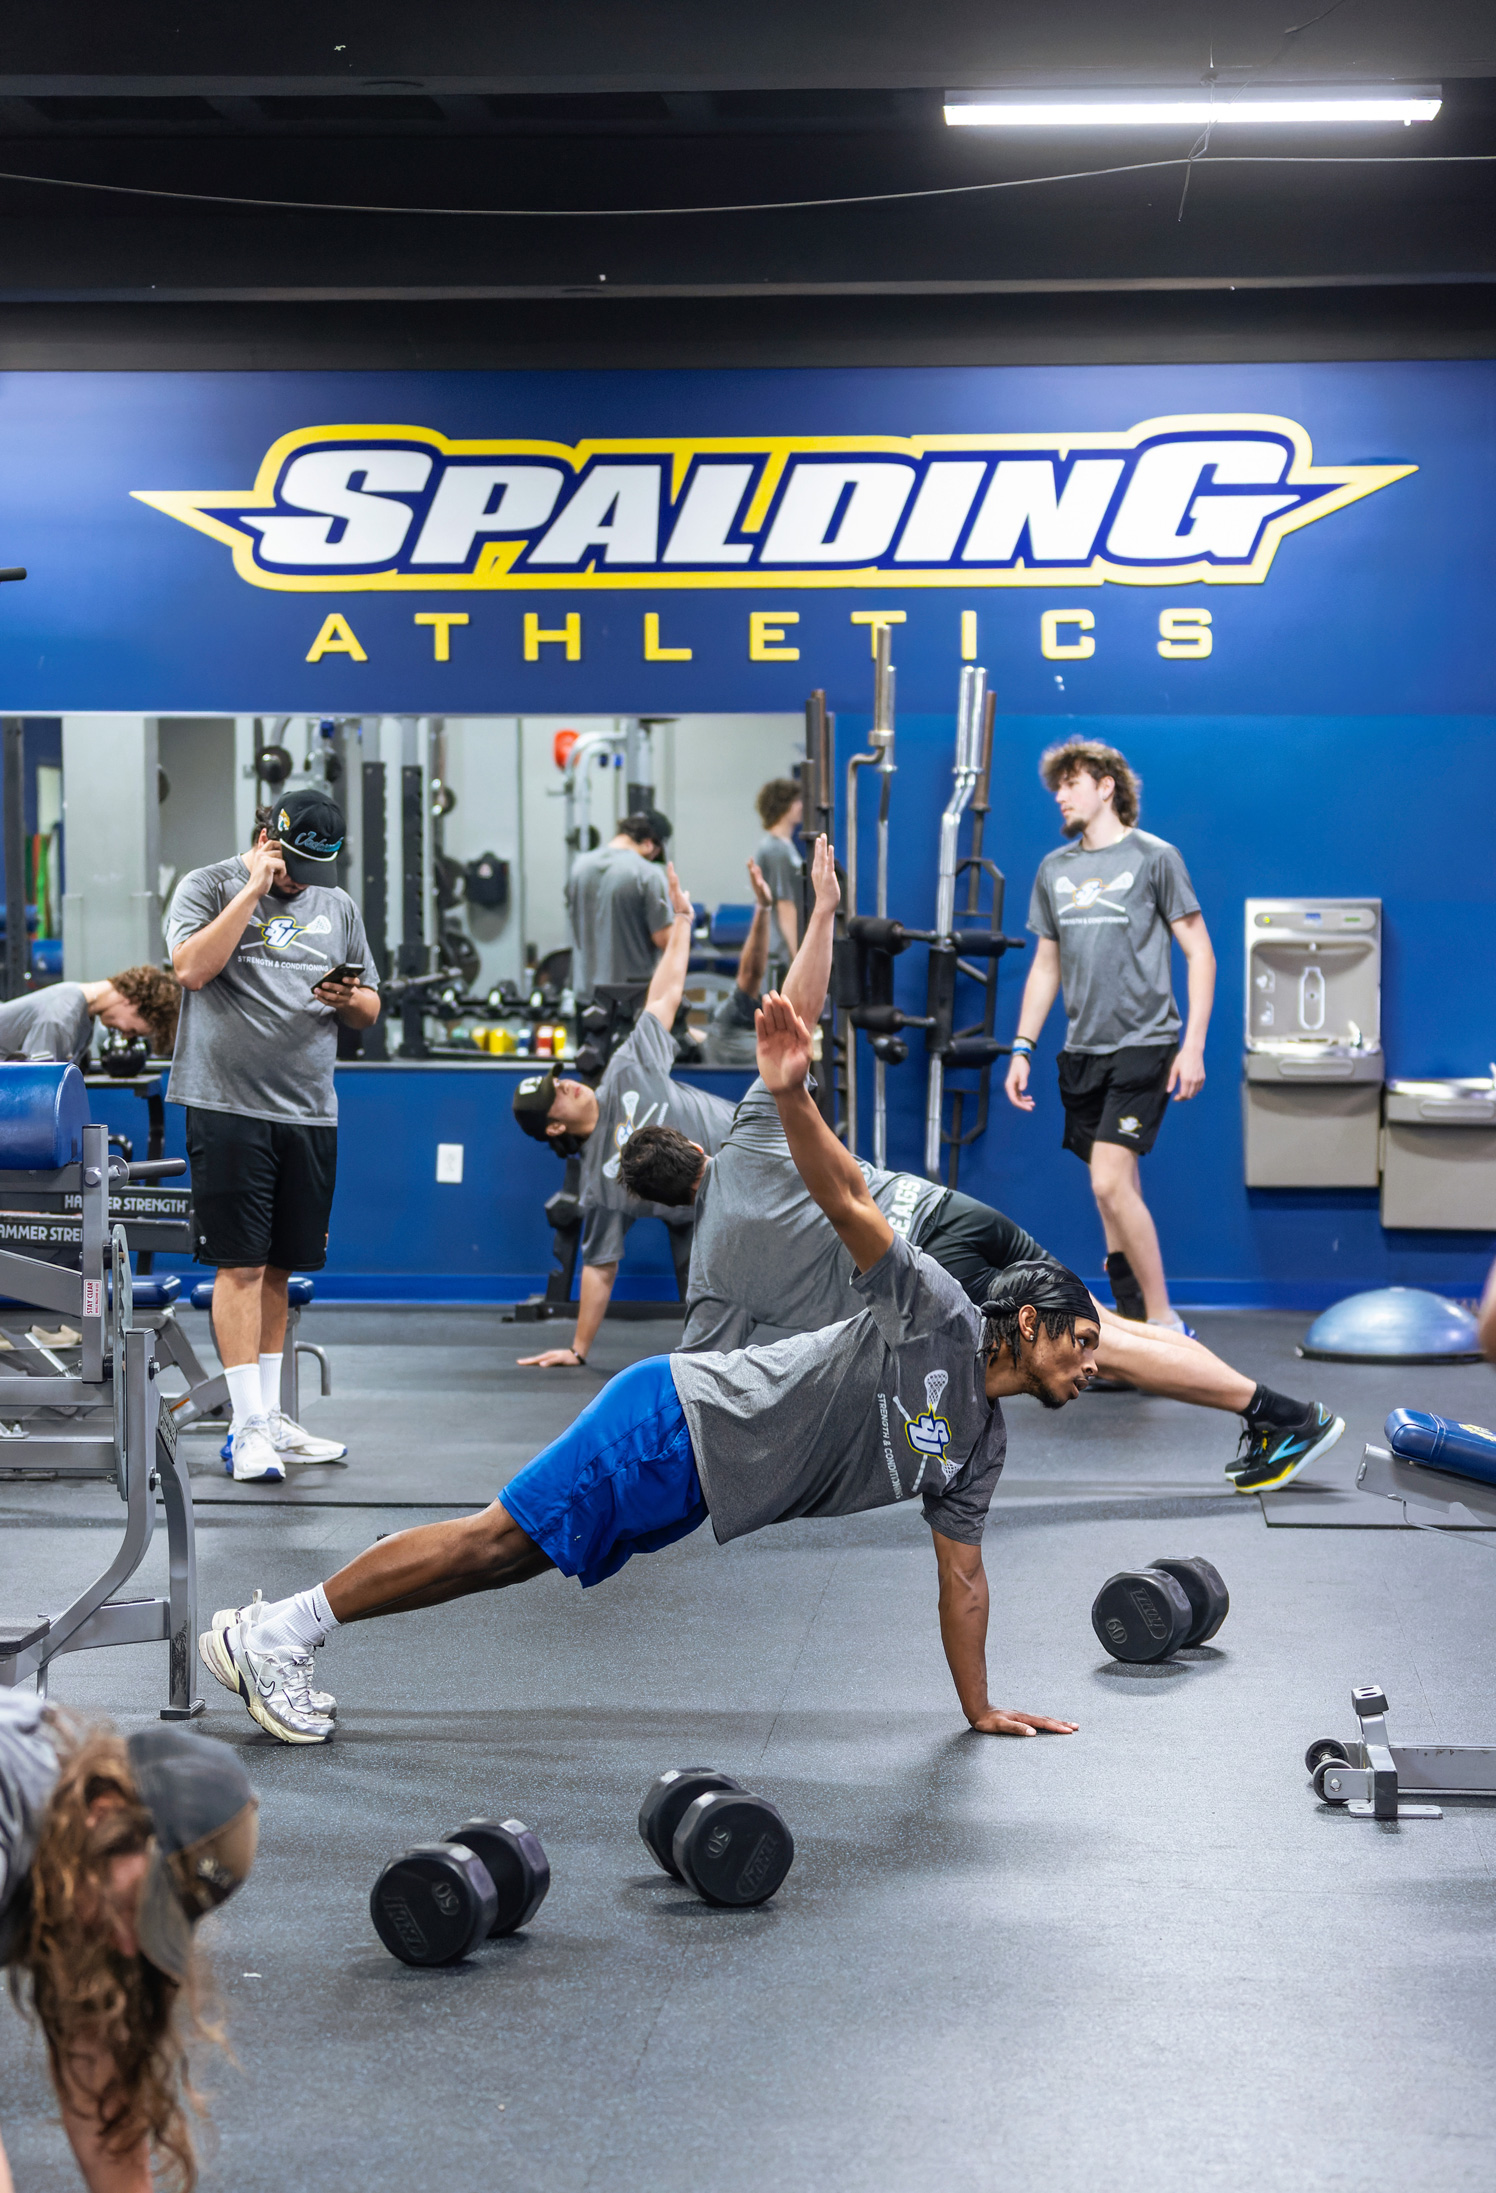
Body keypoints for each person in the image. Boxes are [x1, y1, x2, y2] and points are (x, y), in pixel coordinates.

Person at [201, 990, 1094, 1748]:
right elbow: (851, 1201)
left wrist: (979, 1709)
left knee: (505, 1561)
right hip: (674, 1425)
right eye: (1081, 1341)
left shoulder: (978, 1444)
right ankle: (275, 1630)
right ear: (1026, 1321)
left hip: (696, 1478)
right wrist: (791, 1094)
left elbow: (963, 1576)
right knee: (489, 1541)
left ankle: (286, 1630)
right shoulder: (936, 1309)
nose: (1094, 1364)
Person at [620, 837, 1343, 1496]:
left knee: (1108, 1347)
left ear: (668, 1206)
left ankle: (1282, 1414)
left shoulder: (709, 1274)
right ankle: (1269, 1410)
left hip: (928, 1268)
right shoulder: (750, 1123)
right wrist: (822, 913)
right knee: (1100, 1324)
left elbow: (700, 1383)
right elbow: (796, 1015)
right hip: (950, 1213)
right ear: (694, 1147)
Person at [165, 789, 381, 1483]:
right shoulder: (208, 885)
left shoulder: (337, 906)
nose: (298, 881)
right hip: (226, 1104)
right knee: (241, 1265)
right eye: (288, 864)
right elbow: (192, 969)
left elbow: (371, 1006)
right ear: (265, 837)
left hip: (310, 1110)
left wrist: (350, 998)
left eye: (309, 870)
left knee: (282, 1268)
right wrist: (252, 889)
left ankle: (270, 1419)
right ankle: (245, 1423)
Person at [0, 1693, 257, 2193]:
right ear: (106, 1811)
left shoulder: (78, 1861)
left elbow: (100, 2072)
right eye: (136, 1905)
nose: (124, 1941)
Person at [1004, 737, 1215, 1336]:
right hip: (1083, 1052)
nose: (1060, 796)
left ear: (1107, 787)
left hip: (1145, 1044)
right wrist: (1022, 1046)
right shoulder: (1055, 869)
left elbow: (1200, 953)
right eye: (1057, 787)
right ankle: (1132, 1318)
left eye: (1071, 783)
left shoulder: (1155, 858)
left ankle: (1166, 1324)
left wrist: (1193, 1044)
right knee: (1111, 1194)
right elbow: (1047, 965)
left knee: (1107, 1179)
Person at [512, 863, 737, 1369]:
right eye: (556, 1093)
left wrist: (681, 921)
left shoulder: (625, 1068)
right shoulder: (603, 1180)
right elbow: (600, 1265)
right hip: (715, 1208)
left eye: (559, 1076)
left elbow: (664, 995)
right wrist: (577, 1349)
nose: (566, 1081)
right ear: (554, 1126)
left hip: (755, 1138)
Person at [565, 809, 675, 1004]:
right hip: (632, 998)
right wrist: (683, 918)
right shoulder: (647, 873)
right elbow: (665, 939)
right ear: (650, 845)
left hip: (585, 994)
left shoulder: (579, 867)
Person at [0, 968, 180, 1067]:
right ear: (133, 1001)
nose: (125, 1036)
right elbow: (35, 1093)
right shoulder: (60, 1016)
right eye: (133, 1031)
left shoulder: (82, 1016)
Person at [701, 857, 773, 1067]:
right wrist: (764, 907)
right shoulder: (725, 1025)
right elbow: (750, 973)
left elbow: (751, 974)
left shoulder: (717, 1034)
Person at [753, 778, 803, 967]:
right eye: (796, 801)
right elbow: (785, 906)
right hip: (780, 952)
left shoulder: (784, 846)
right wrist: (798, 957)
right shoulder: (777, 850)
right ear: (784, 806)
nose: (801, 806)